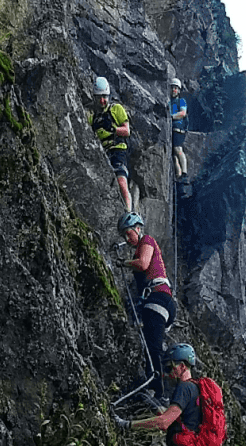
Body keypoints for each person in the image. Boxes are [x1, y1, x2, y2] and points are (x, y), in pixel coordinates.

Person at [119, 212, 175, 401]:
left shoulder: (147, 241)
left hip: (158, 298)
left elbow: (143, 264)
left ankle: (158, 392)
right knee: (153, 345)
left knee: (153, 348)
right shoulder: (140, 247)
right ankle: (159, 389)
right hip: (162, 300)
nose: (127, 239)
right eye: (124, 236)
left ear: (138, 228)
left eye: (128, 233)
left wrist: (123, 263)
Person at [90, 76, 133, 212]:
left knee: (121, 181)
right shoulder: (92, 117)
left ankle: (128, 212)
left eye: (104, 97)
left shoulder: (116, 109)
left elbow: (126, 131)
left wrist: (113, 129)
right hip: (102, 153)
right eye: (99, 98)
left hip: (118, 149)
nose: (102, 101)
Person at [168, 78, 188, 181]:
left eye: (176, 88)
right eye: (172, 88)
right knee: (173, 154)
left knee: (177, 149)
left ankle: (184, 171)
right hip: (171, 129)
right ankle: (178, 174)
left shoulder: (181, 101)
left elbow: (182, 113)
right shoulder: (169, 102)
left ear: (179, 90)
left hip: (178, 128)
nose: (174, 90)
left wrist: (171, 117)